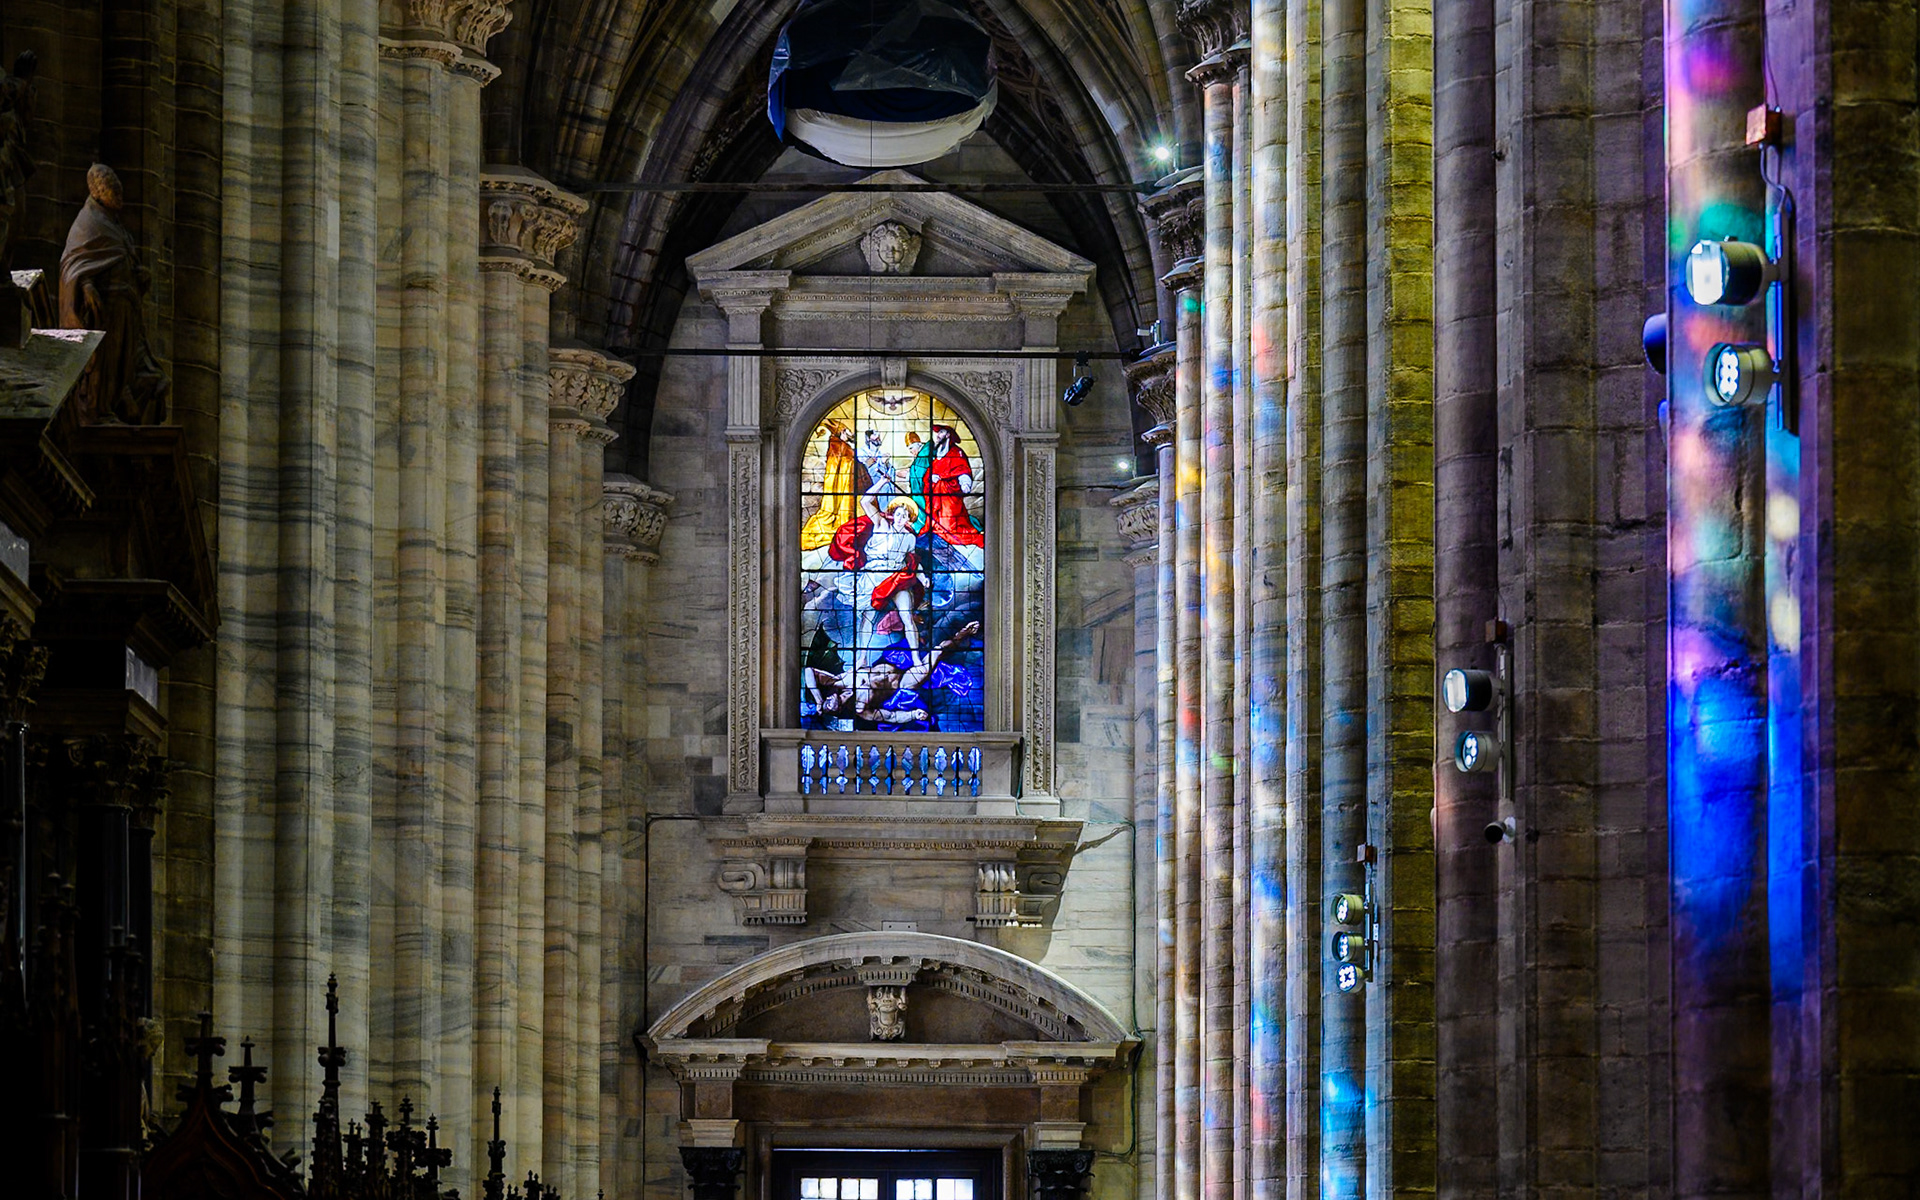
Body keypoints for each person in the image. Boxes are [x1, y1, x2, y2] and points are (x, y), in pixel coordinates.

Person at [59, 163, 170, 424]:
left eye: (120, 193)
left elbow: (119, 257)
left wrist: (138, 274)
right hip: (106, 304)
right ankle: (101, 408)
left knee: (125, 359)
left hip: (126, 304)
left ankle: (118, 400)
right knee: (106, 358)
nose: (119, 198)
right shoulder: (88, 222)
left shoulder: (116, 226)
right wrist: (85, 285)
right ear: (98, 192)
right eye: (114, 193)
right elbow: (75, 262)